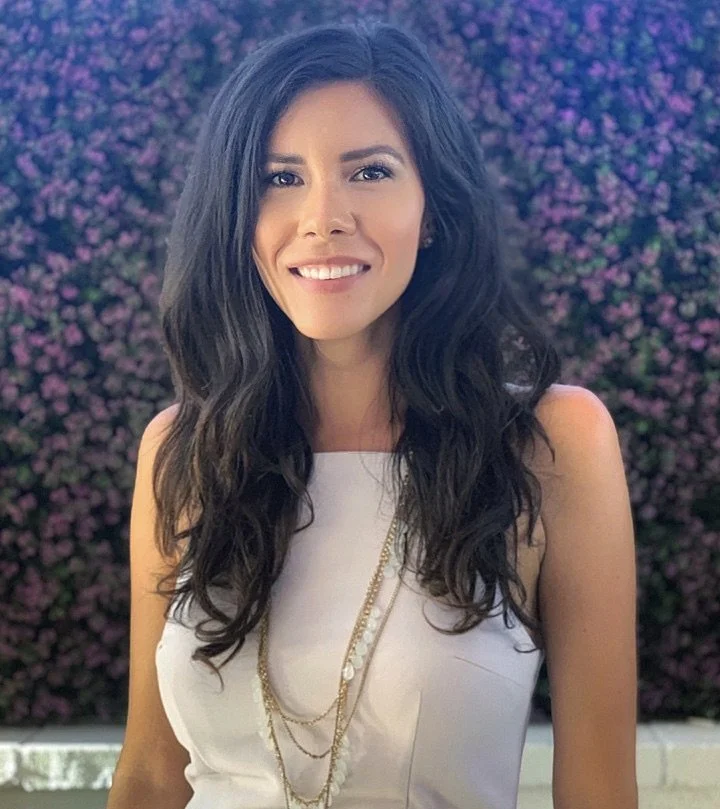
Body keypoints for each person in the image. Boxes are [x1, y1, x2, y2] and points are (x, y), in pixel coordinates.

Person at [107, 18, 638, 809]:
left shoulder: (551, 443)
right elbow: (152, 773)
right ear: (237, 216)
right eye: (280, 178)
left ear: (435, 208)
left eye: (369, 171)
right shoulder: (185, 451)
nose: (323, 217)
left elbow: (599, 792)